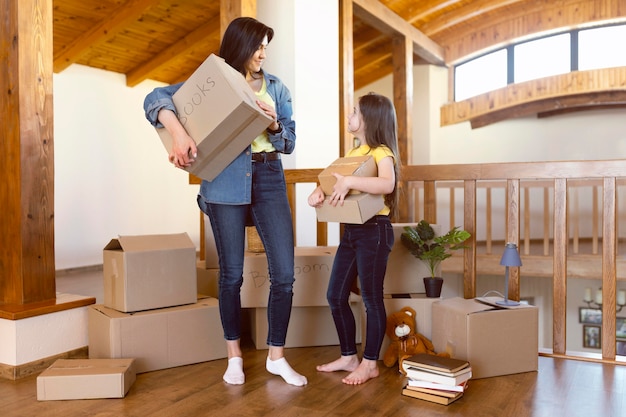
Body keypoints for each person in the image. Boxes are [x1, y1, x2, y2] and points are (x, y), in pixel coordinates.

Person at [143, 17, 307, 387]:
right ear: (240, 45)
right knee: (230, 275)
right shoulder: (216, 81)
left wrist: (275, 126)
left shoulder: (277, 88)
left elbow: (290, 141)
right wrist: (180, 133)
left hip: (269, 177)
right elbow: (154, 98)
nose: (263, 53)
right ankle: (234, 357)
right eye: (258, 45)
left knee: (284, 274)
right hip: (225, 178)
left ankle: (276, 357)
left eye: (267, 46)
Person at [307, 92, 399, 385]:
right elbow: (333, 182)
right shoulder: (352, 155)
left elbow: (387, 183)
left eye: (354, 112)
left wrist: (349, 182)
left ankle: (370, 363)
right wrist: (320, 191)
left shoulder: (381, 152)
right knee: (335, 295)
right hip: (352, 231)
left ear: (369, 119)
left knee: (371, 299)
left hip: (375, 230)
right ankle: (349, 357)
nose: (349, 117)